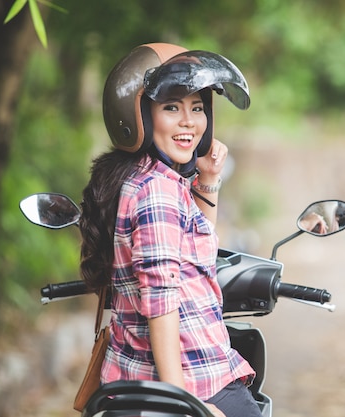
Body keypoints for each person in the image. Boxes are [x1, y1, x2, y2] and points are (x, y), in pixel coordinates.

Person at [78, 43, 262, 417]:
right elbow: (161, 303)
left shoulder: (145, 179)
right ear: (140, 116)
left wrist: (208, 180)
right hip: (196, 379)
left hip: (133, 376)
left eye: (197, 108)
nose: (189, 122)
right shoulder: (157, 193)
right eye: (171, 108)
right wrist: (183, 402)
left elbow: (199, 255)